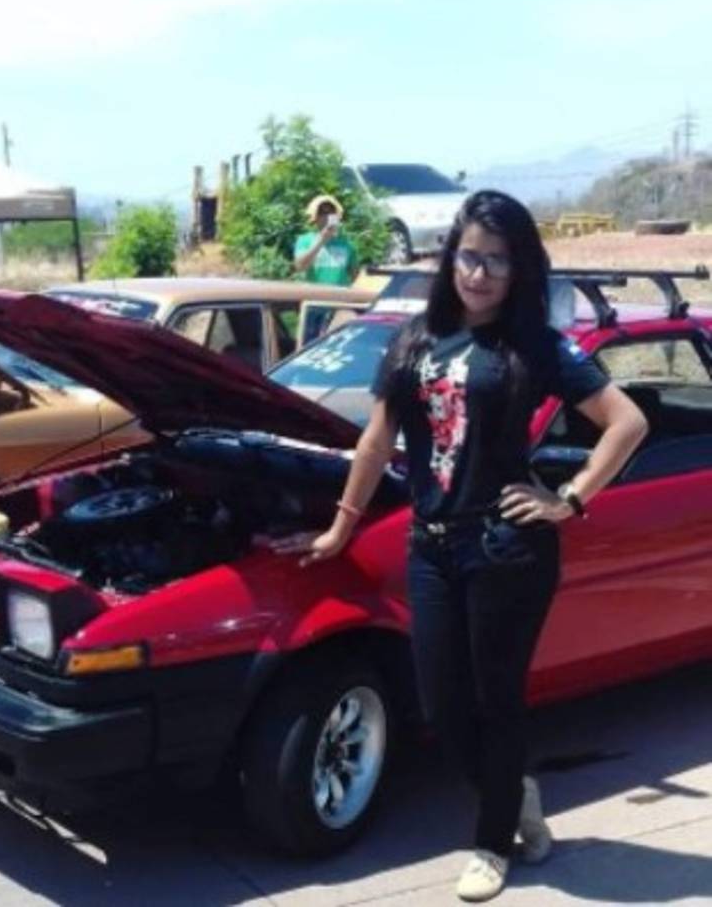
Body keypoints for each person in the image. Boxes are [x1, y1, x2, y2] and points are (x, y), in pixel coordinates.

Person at [274, 190, 648, 901]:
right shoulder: (413, 339)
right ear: (451, 257)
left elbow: (624, 422)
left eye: (497, 261)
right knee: (441, 705)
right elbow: (376, 439)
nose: (478, 274)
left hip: (506, 546)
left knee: (495, 701)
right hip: (432, 547)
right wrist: (338, 528)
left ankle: (491, 839)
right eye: (470, 256)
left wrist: (567, 500)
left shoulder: (534, 343)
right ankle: (515, 796)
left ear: (517, 270)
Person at [293, 194, 359, 286]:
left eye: (331, 212)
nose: (327, 216)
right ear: (315, 217)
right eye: (322, 212)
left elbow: (355, 275)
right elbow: (300, 267)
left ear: (337, 216)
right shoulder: (305, 240)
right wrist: (321, 241)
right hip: (314, 297)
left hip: (340, 298)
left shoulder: (347, 244)